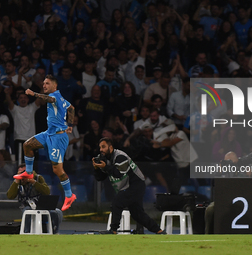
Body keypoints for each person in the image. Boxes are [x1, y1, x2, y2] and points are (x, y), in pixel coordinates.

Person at [13, 75, 77, 211]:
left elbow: (50, 99)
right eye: (43, 83)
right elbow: (71, 108)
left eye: (47, 83)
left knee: (57, 170)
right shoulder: (60, 98)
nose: (44, 86)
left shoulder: (54, 96)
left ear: (55, 85)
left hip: (58, 138)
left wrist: (34, 94)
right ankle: (29, 173)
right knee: (27, 145)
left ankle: (69, 195)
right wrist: (70, 123)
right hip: (49, 133)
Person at [92, 137, 166, 235]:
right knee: (137, 214)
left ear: (111, 147)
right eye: (100, 147)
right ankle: (159, 231)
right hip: (127, 187)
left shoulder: (120, 157)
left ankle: (113, 230)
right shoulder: (105, 158)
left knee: (117, 202)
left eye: (103, 147)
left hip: (136, 184)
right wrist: (97, 168)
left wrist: (105, 167)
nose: (101, 149)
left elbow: (119, 173)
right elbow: (100, 178)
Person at [7, 164, 63, 234]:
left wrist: (34, 182)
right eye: (20, 173)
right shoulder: (17, 182)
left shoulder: (38, 178)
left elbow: (47, 192)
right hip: (27, 205)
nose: (23, 175)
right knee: (27, 211)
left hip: (41, 205)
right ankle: (26, 232)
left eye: (24, 172)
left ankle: (54, 232)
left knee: (57, 212)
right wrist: (16, 182)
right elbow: (10, 196)